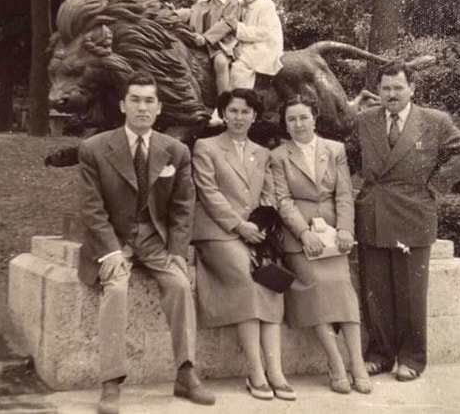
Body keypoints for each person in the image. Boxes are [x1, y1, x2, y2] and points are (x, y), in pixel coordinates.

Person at [77, 71, 215, 414]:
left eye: (149, 100)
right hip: (114, 240)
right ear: (123, 105)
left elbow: (184, 207)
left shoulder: (175, 151)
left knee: (181, 286)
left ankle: (185, 373)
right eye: (135, 100)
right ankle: (110, 383)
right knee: (117, 290)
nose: (142, 107)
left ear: (159, 107)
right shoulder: (95, 148)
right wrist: (110, 251)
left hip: (155, 240)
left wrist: (177, 252)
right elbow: (91, 209)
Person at [353, 61, 460, 382]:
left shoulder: (434, 121)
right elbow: (348, 157)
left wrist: (435, 186)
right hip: (373, 213)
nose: (391, 94)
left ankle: (412, 358)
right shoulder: (365, 120)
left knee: (411, 293)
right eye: (385, 88)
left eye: (398, 87)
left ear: (412, 89)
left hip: (414, 214)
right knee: (375, 292)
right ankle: (380, 355)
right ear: (378, 91)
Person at [192, 88, 295, 401]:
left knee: (270, 283)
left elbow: (267, 195)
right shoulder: (205, 147)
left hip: (254, 233)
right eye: (233, 111)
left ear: (254, 116)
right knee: (248, 281)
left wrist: (259, 227)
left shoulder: (261, 153)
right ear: (223, 114)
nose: (239, 117)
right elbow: (208, 193)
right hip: (218, 233)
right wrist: (239, 226)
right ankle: (256, 372)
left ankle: (276, 371)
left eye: (245, 112)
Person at [270, 94, 373, 395]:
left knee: (342, 285)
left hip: (332, 234)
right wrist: (304, 233)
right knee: (314, 285)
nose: (298, 124)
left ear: (315, 118)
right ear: (286, 125)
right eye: (292, 119)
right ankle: (335, 362)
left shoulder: (334, 149)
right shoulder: (278, 156)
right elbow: (282, 200)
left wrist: (344, 230)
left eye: (304, 117)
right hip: (299, 236)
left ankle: (357, 363)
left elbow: (343, 194)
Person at [184, 0, 240, 97]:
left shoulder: (233, 3)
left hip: (221, 44)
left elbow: (227, 23)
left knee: (220, 63)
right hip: (198, 40)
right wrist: (174, 14)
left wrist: (206, 38)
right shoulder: (203, 0)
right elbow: (191, 13)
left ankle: (224, 101)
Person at [225, 0, 283, 91]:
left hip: (265, 46)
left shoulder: (265, 6)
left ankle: (238, 99)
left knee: (239, 69)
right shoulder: (240, 5)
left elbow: (262, 32)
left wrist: (237, 27)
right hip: (250, 44)